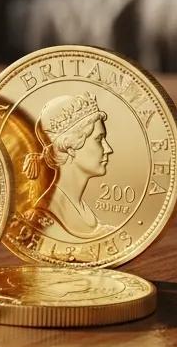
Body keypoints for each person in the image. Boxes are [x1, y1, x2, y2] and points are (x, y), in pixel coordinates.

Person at [23, 91, 114, 241]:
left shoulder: (80, 206)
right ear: (70, 147)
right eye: (99, 139)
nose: (109, 149)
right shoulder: (49, 210)